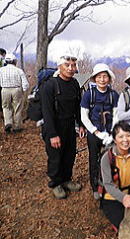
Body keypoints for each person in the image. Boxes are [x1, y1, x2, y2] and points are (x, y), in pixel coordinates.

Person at [41, 54, 85, 199]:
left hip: (69, 125)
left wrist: (81, 125)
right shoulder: (50, 86)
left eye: (73, 65)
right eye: (67, 65)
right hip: (54, 125)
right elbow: (47, 112)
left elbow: (77, 107)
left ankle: (66, 179)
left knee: (69, 154)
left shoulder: (74, 84)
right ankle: (55, 183)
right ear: (59, 67)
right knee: (55, 156)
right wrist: (53, 134)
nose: (71, 68)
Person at [81, 63, 119, 200]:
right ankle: (95, 186)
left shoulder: (113, 95)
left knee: (111, 159)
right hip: (94, 133)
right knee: (94, 159)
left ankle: (109, 185)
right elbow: (84, 116)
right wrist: (96, 132)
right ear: (94, 79)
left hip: (109, 134)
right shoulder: (88, 95)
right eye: (99, 77)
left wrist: (112, 133)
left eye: (105, 76)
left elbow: (117, 115)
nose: (102, 79)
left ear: (109, 79)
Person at [100, 122, 130, 231]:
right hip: (112, 195)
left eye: (128, 135)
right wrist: (123, 198)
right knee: (123, 224)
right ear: (115, 140)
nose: (125, 140)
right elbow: (108, 184)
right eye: (121, 137)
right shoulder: (108, 158)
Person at [0, 53, 29, 133]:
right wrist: (23, 90)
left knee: (6, 107)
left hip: (5, 90)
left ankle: (8, 123)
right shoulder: (19, 70)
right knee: (17, 108)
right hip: (17, 89)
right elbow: (25, 84)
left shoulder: (1, 70)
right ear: (14, 61)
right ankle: (17, 127)